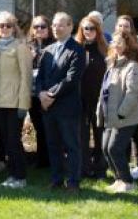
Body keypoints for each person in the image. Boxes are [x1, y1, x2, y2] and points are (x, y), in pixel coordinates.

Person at [35, 12, 86, 192]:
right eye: (54, 25)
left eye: (61, 25)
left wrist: (50, 95)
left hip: (66, 107)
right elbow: (39, 77)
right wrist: (41, 93)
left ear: (71, 27)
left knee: (72, 146)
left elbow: (72, 79)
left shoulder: (77, 49)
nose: (56, 28)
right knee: (53, 145)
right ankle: (56, 180)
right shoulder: (47, 50)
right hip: (48, 108)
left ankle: (73, 182)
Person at [97, 31, 138, 193]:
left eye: (120, 42)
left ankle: (128, 182)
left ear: (127, 45)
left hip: (126, 117)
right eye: (114, 42)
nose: (116, 45)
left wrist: (121, 113)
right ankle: (119, 179)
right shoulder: (111, 65)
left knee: (115, 149)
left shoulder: (133, 66)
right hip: (110, 116)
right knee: (105, 148)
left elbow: (133, 92)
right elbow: (104, 91)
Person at [0, 11, 32, 189]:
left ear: (14, 28)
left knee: (14, 141)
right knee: (6, 142)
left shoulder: (20, 47)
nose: (5, 29)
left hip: (15, 102)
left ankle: (20, 177)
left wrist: (24, 104)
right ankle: (11, 175)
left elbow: (26, 76)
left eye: (8, 25)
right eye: (1, 25)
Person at [74, 16, 108, 179]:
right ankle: (84, 168)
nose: (88, 31)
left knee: (100, 134)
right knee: (82, 136)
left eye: (92, 28)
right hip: (80, 100)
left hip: (99, 100)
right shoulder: (76, 48)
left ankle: (100, 169)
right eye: (85, 28)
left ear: (98, 30)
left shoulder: (105, 49)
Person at [114, 14, 138, 179]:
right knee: (121, 135)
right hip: (116, 96)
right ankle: (122, 164)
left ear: (131, 28)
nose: (123, 29)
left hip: (132, 96)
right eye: (120, 26)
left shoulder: (136, 46)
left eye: (126, 26)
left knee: (135, 133)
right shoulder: (114, 45)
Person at [27, 15, 53, 168]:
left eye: (43, 26)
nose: (39, 29)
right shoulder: (28, 45)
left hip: (48, 94)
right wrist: (28, 59)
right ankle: (42, 160)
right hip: (32, 94)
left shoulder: (54, 45)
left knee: (49, 126)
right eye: (36, 27)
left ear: (48, 28)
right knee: (38, 126)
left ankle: (51, 159)